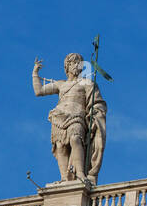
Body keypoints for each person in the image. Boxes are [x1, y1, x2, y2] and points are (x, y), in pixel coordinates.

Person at [33, 53, 107, 182]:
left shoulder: (87, 83)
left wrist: (96, 113)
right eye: (74, 63)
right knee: (60, 145)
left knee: (75, 139)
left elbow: (98, 102)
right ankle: (64, 178)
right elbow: (39, 91)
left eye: (79, 63)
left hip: (77, 115)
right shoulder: (60, 84)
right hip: (58, 116)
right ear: (67, 66)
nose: (77, 66)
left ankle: (80, 174)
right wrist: (35, 73)